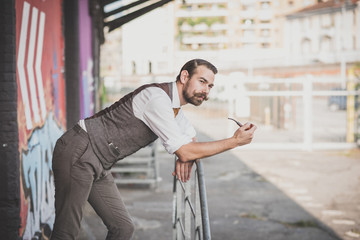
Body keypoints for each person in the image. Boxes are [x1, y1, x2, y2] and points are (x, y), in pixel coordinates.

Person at [50, 59, 257, 240]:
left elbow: (190, 142)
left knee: (123, 228)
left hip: (99, 162)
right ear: (185, 76)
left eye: (210, 86)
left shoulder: (174, 108)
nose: (206, 90)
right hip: (80, 150)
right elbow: (186, 149)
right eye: (202, 82)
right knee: (66, 232)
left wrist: (184, 156)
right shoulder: (157, 99)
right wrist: (234, 142)